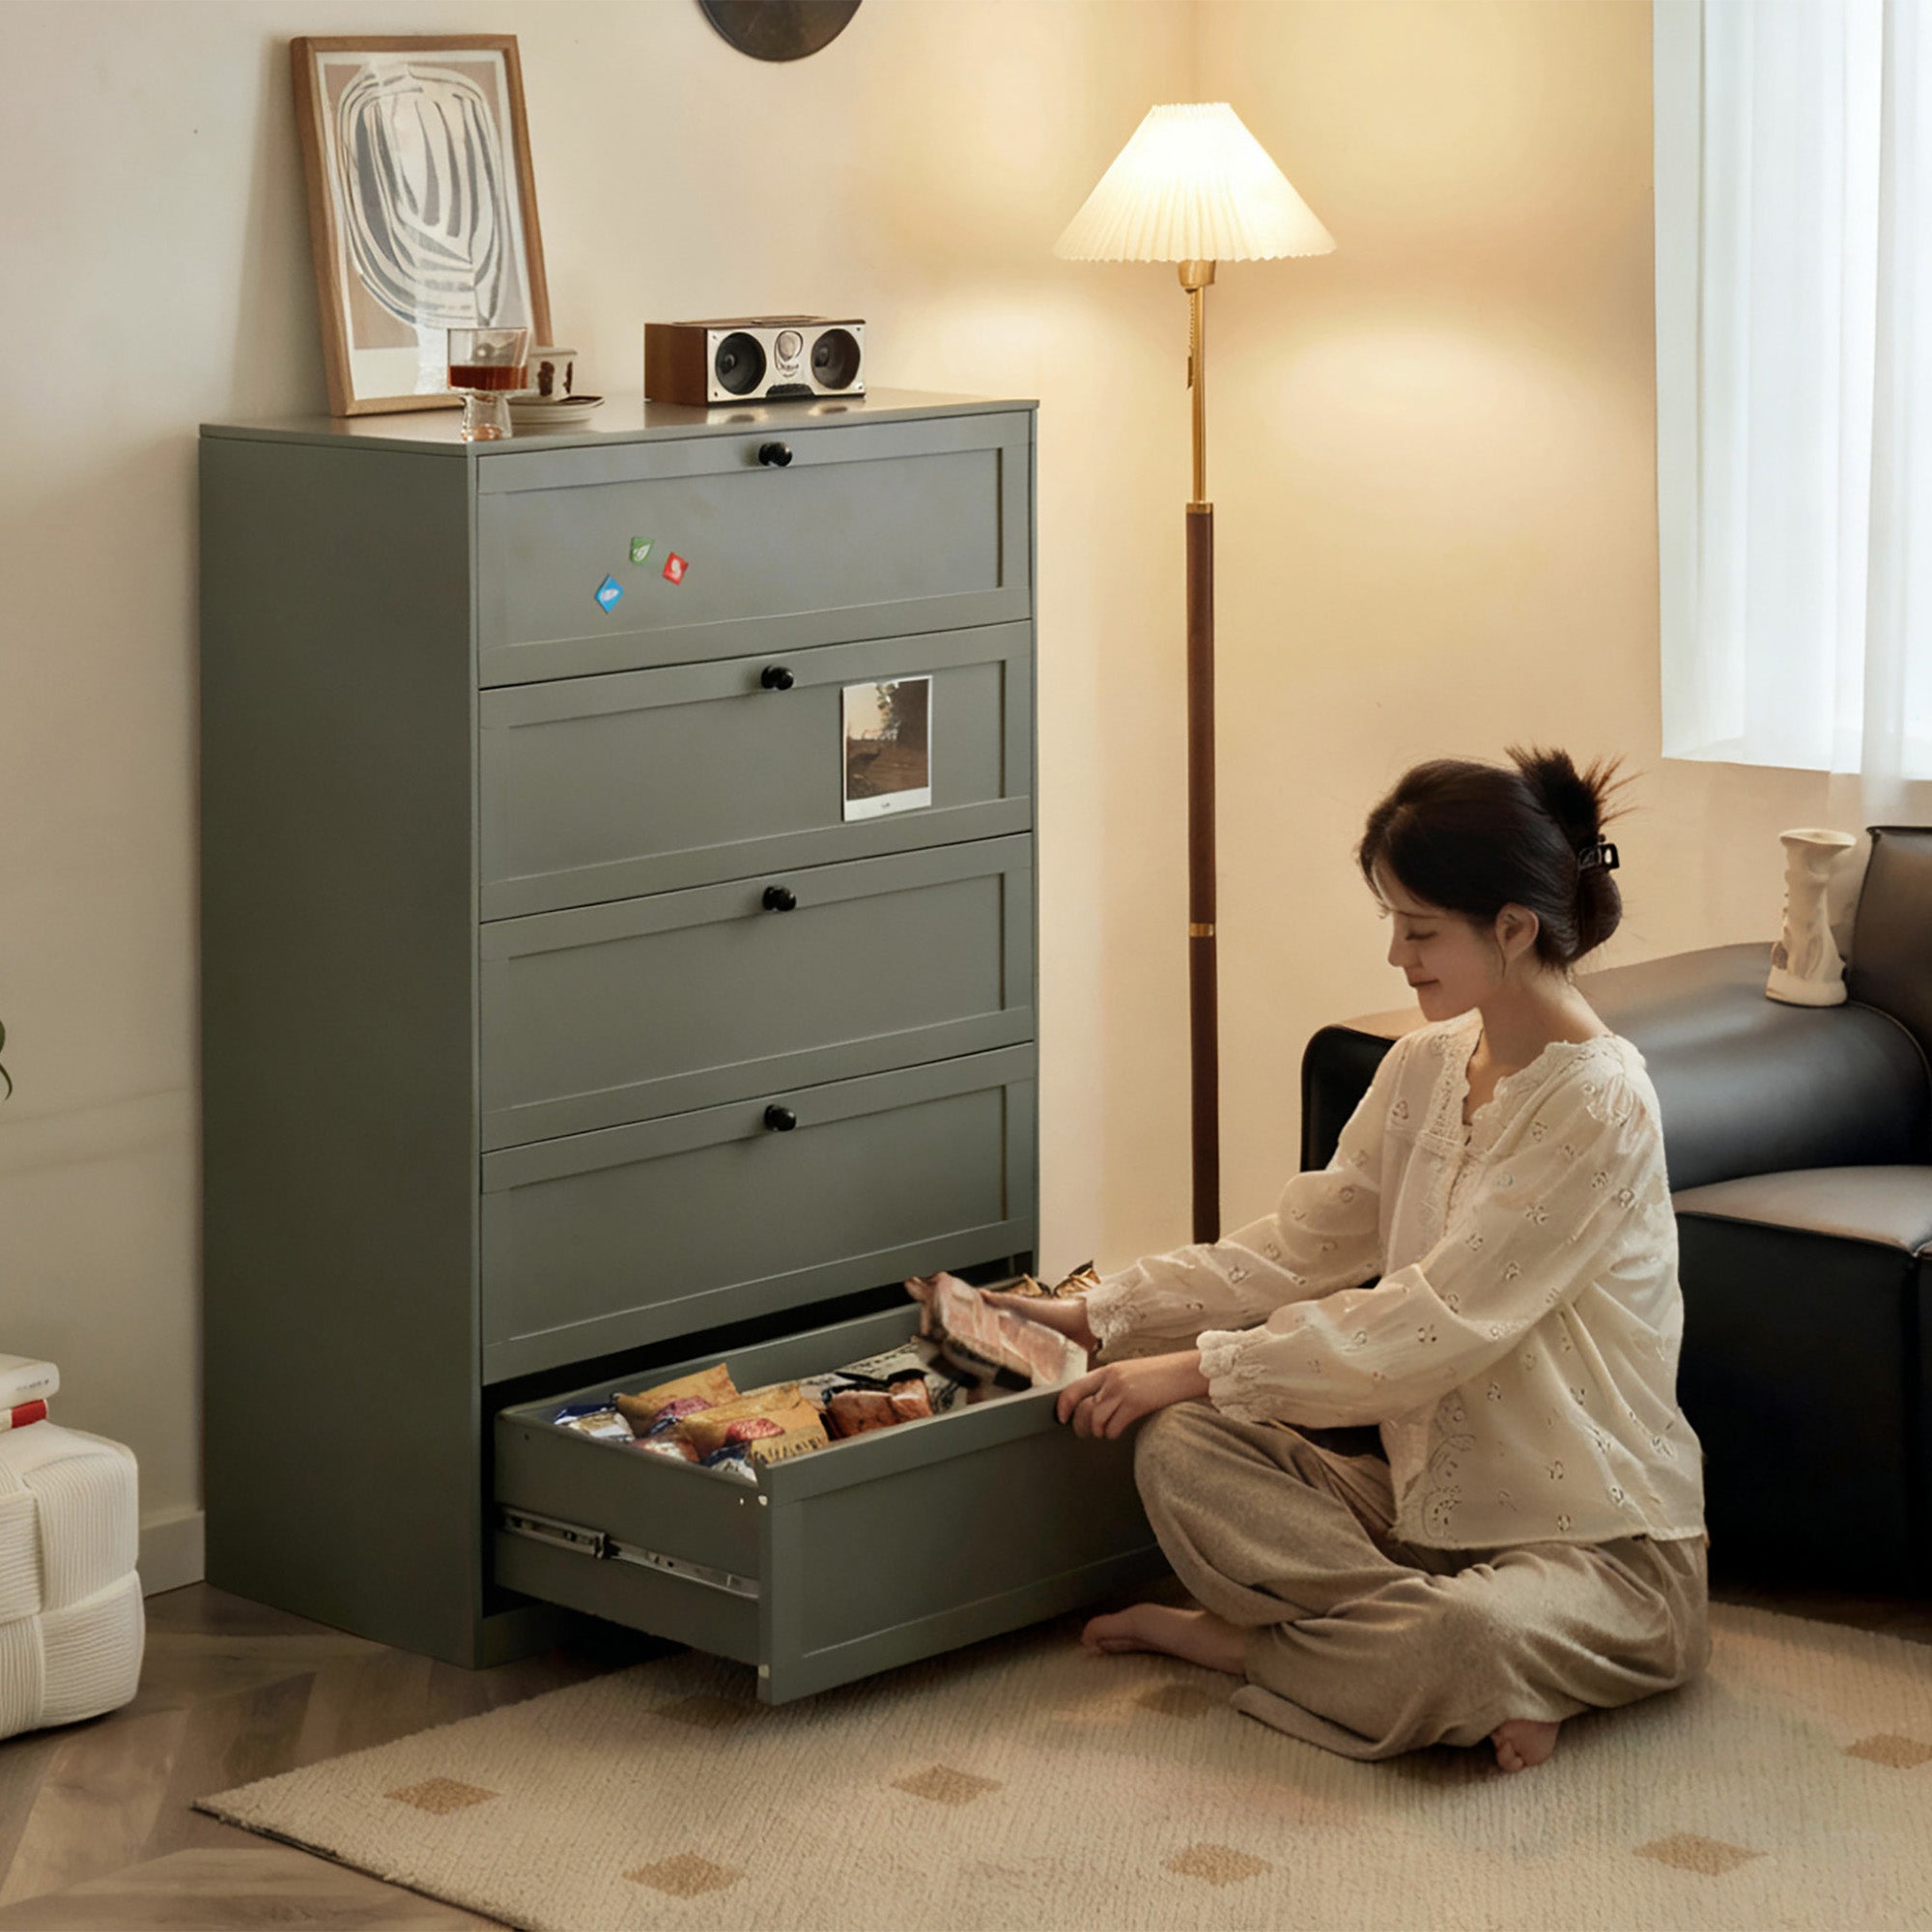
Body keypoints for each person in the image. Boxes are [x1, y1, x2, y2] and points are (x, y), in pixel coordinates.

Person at [909, 745, 1711, 1774]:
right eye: (1392, 921)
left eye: (1417, 928)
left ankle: (1287, 1648)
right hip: (1417, 1520)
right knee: (1180, 1442)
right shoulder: (1423, 1064)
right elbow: (1298, 1247)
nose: (1394, 954)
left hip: (1599, 1551)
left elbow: (1431, 1321)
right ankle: (1455, 1669)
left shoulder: (1597, 1102)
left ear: (1511, 927)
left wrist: (1195, 1359)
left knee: (1459, 1637)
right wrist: (1102, 1311)